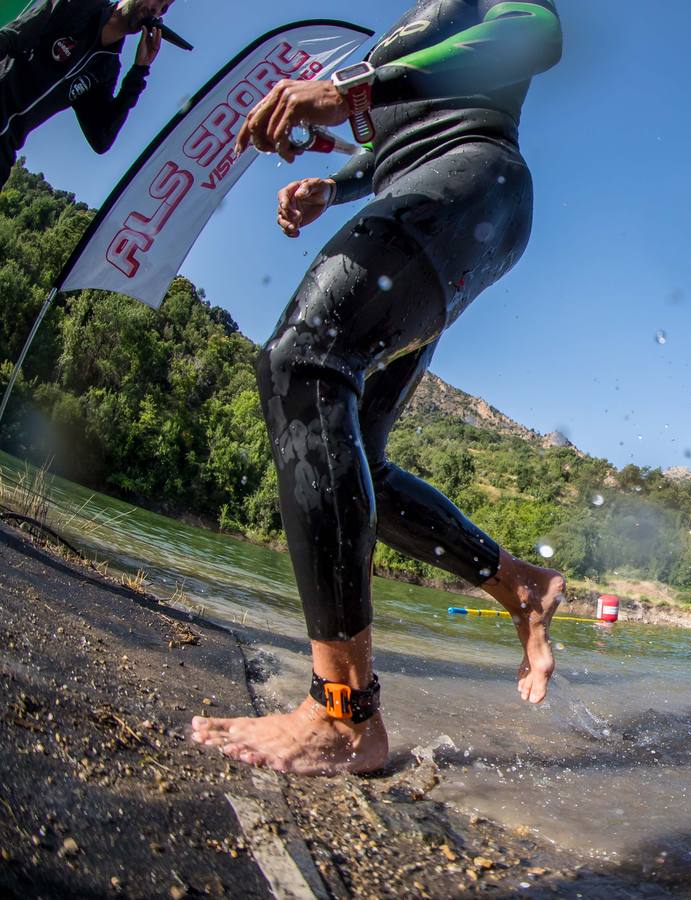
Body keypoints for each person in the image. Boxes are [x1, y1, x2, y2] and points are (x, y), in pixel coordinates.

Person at [191, 0, 563, 776]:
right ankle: (519, 586)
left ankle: (344, 714)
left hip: (471, 185)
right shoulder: (411, 22)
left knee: (304, 362)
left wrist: (349, 92)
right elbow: (401, 134)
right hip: (432, 196)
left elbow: (535, 34)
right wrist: (334, 187)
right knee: (355, 449)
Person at [0, 0, 172, 188]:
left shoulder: (106, 69)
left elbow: (102, 139)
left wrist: (139, 71)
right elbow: (10, 37)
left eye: (164, 8)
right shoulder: (80, 5)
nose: (157, 9)